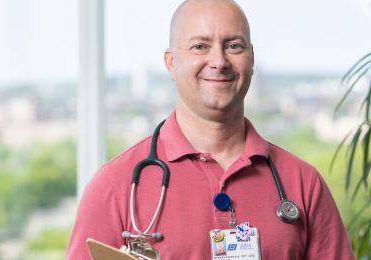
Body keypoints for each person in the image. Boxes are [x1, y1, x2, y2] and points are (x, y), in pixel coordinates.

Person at [66, 0, 355, 259]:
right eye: (200, 46)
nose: (219, 62)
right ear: (171, 63)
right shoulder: (115, 185)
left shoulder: (303, 184)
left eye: (234, 46)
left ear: (251, 60)